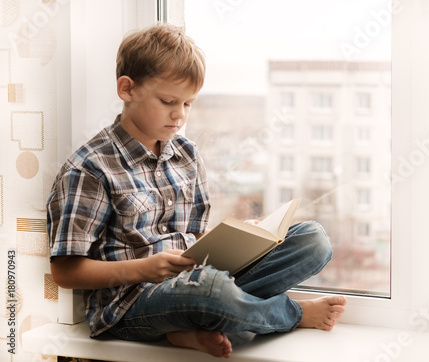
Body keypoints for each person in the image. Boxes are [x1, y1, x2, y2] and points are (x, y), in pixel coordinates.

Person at [47, 23, 346, 358]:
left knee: (313, 240)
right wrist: (143, 269)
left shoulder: (186, 153)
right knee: (210, 291)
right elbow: (65, 272)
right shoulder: (89, 167)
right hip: (132, 303)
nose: (179, 115)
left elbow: (196, 239)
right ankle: (292, 314)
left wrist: (248, 236)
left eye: (189, 104)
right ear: (127, 89)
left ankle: (194, 325)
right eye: (168, 101)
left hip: (194, 281)